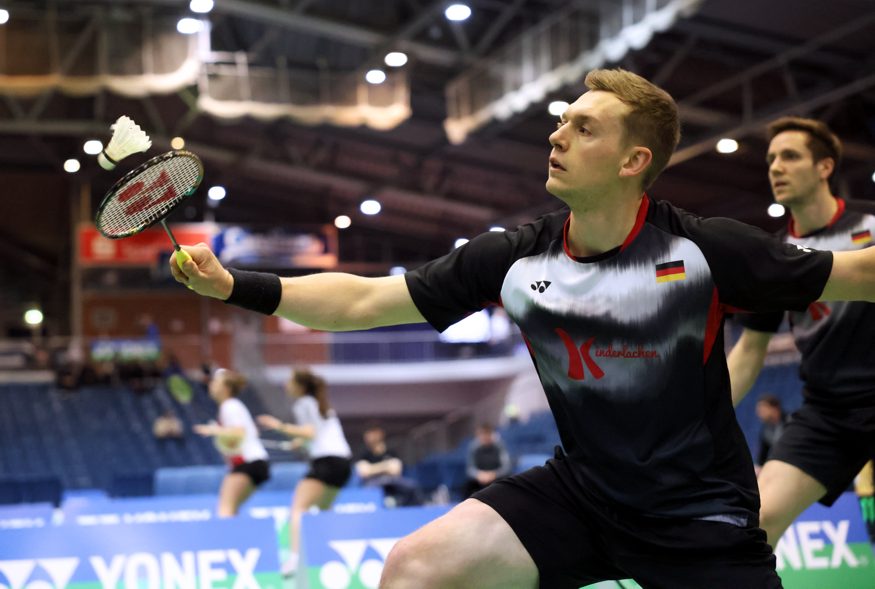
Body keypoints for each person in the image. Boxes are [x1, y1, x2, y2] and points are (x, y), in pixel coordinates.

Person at [169, 68, 875, 588]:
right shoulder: (515, 256)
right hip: (581, 494)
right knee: (413, 568)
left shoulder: (705, 250)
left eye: (583, 127)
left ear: (634, 162)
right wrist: (236, 284)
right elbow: (361, 302)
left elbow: (858, 275)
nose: (557, 132)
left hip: (697, 516)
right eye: (562, 120)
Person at [727, 116, 875, 548]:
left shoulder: (872, 224)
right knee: (754, 525)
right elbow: (749, 351)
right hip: (829, 412)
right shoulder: (774, 258)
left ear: (825, 166)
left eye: (790, 156)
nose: (775, 167)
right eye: (771, 159)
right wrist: (703, 418)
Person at [257, 368, 352, 577]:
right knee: (324, 509)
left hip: (326, 461)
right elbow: (318, 432)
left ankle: (294, 559)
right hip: (343, 463)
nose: (286, 385)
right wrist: (299, 442)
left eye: (290, 381)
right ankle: (328, 555)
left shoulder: (303, 403)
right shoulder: (321, 404)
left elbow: (310, 431)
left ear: (300, 386)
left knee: (298, 508)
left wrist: (278, 425)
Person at [193, 368, 270, 517]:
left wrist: (213, 430)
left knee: (225, 510)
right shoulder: (233, 405)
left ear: (226, 388)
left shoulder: (230, 405)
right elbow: (250, 432)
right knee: (232, 510)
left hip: (248, 463)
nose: (211, 385)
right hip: (257, 463)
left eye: (215, 383)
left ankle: (227, 540)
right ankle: (240, 540)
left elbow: (238, 433)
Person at [355, 424, 422, 507]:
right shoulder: (365, 455)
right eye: (366, 434)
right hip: (373, 484)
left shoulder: (391, 452)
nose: (367, 436)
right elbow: (363, 472)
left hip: (393, 483)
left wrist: (372, 468)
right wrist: (386, 466)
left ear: (379, 434)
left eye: (370, 433)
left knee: (411, 486)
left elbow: (396, 470)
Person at [464, 423, 512, 498]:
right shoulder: (473, 447)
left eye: (487, 434)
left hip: (496, 477)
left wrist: (494, 474)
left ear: (491, 434)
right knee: (468, 486)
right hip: (480, 478)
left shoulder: (500, 446)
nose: (484, 437)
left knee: (506, 482)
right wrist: (478, 474)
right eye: (481, 434)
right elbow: (470, 468)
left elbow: (506, 467)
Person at [754, 394, 787, 471]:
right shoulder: (766, 429)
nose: (759, 413)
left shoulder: (791, 421)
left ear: (774, 408)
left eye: (762, 410)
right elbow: (762, 455)